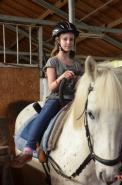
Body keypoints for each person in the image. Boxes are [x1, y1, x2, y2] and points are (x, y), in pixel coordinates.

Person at [11, 21, 82, 168]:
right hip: (57, 99)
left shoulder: (76, 64)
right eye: (65, 39)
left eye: (71, 39)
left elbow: (78, 86)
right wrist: (62, 77)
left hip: (74, 100)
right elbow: (51, 86)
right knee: (44, 116)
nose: (68, 42)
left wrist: (81, 81)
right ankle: (29, 149)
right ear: (58, 41)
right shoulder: (53, 61)